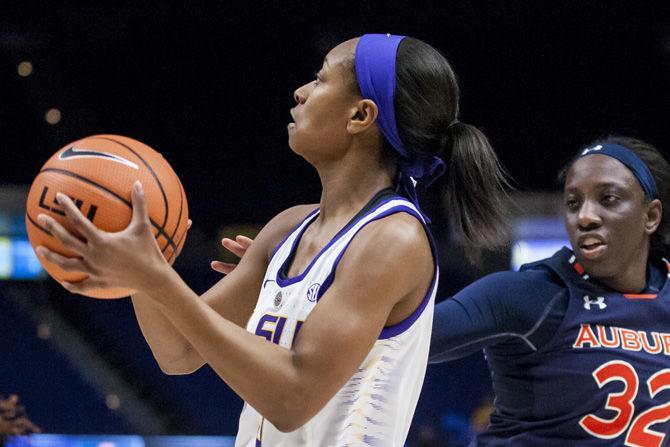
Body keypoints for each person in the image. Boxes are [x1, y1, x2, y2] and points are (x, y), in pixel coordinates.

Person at [34, 34, 509, 445]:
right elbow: (177, 353)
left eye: (321, 80)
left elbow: (292, 397)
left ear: (361, 115)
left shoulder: (393, 241)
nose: (301, 92)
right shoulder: (289, 228)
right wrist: (139, 268)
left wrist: (158, 279)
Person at [221, 136, 670, 446]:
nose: (585, 216)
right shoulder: (532, 294)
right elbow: (394, 336)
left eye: (607, 199)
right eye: (574, 202)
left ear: (651, 216)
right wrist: (292, 289)